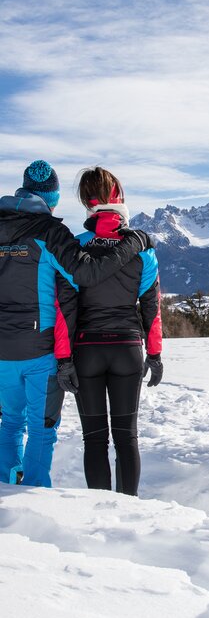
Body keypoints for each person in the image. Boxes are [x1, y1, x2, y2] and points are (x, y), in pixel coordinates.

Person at [0, 160, 150, 488]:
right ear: (51, 199)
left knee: (10, 423)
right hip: (40, 350)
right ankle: (30, 498)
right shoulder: (50, 232)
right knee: (41, 428)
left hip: (1, 351)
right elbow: (87, 274)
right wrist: (132, 243)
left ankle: (6, 489)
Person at [73, 167, 163, 496]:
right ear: (118, 198)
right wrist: (154, 354)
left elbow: (64, 306)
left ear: (87, 202)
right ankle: (128, 511)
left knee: (94, 439)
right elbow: (152, 309)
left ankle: (98, 513)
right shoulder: (143, 250)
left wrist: (63, 358)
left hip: (86, 350)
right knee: (127, 437)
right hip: (127, 348)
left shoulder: (75, 247)